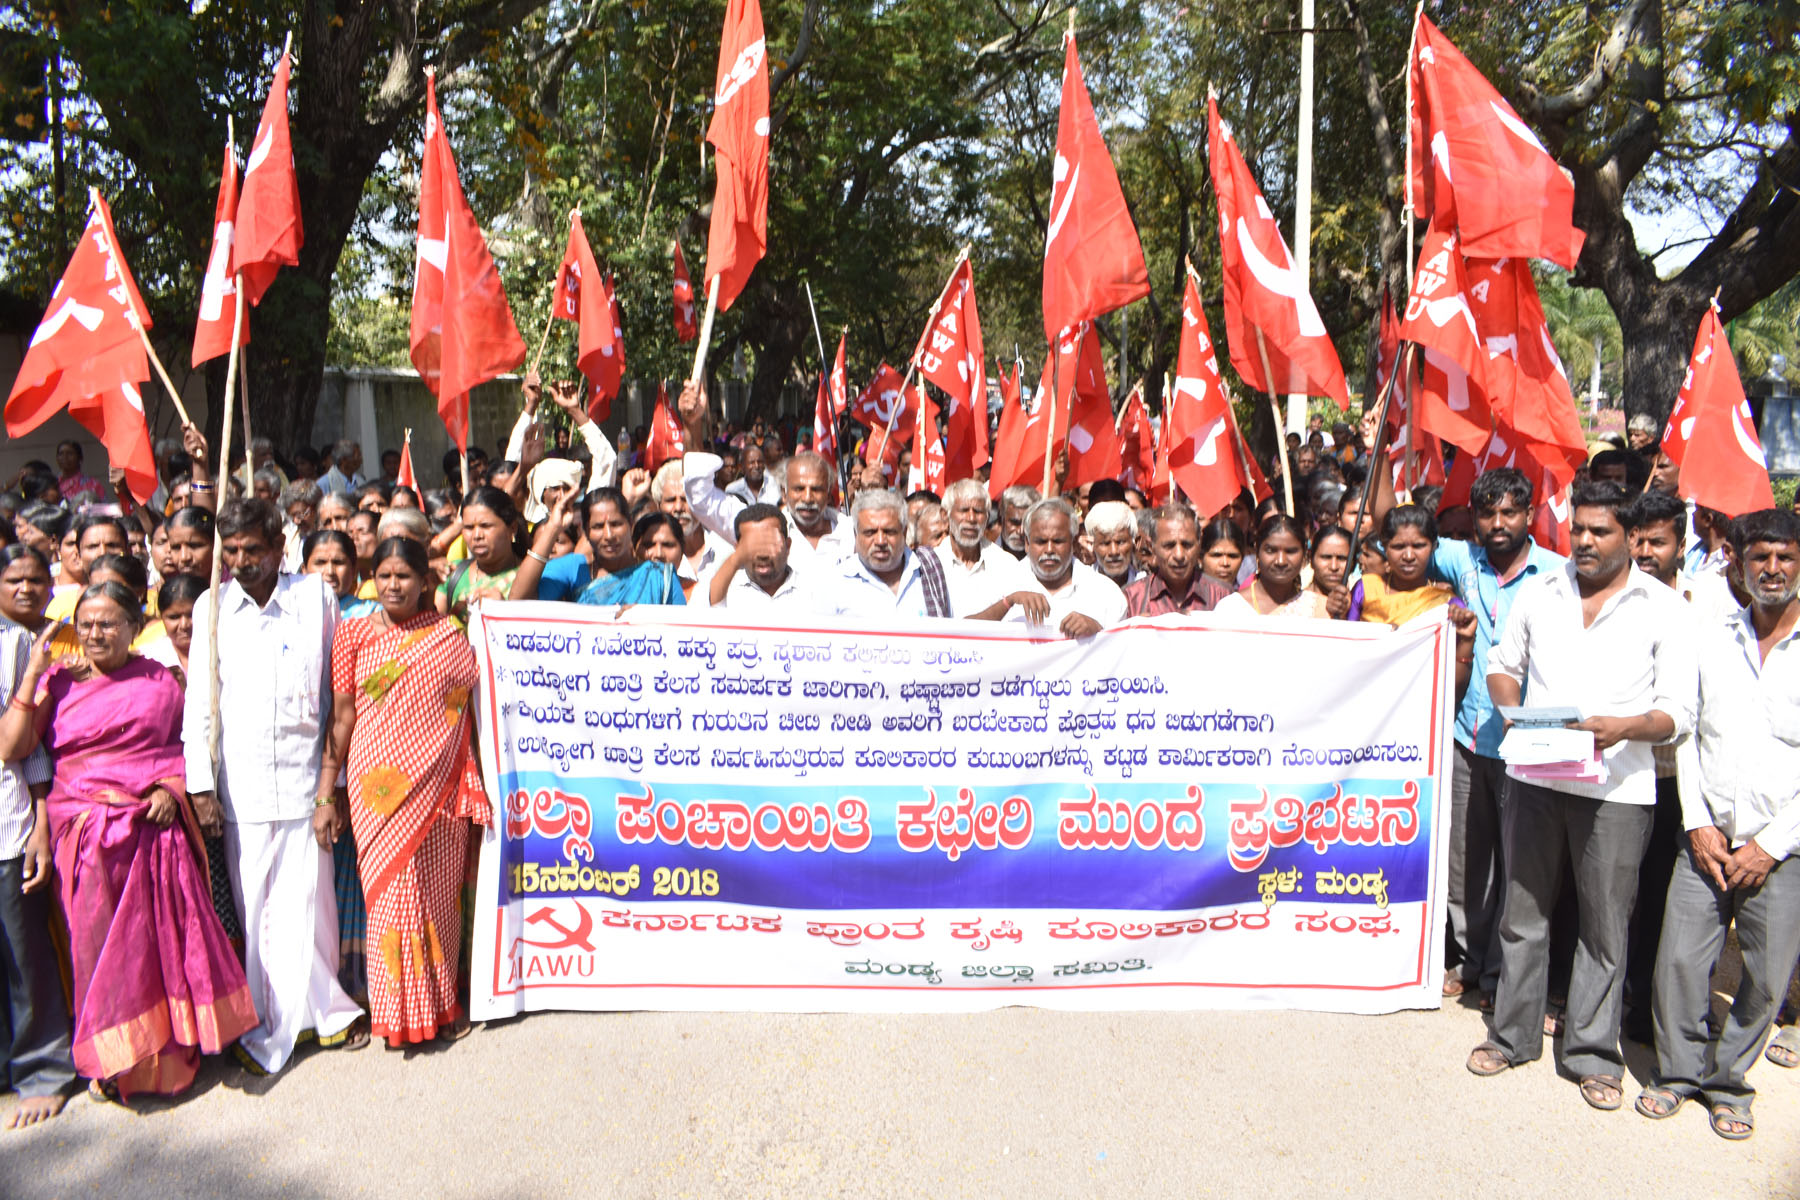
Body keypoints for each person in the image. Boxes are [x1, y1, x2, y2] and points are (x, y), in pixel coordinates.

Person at [1469, 481, 1698, 1113]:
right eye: (1579, 530)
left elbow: (1678, 712)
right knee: (1523, 915)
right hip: (1536, 778)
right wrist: (1511, 710)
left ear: (1631, 535)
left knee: (1604, 927)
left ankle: (1593, 1053)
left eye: (1601, 531)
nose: (1586, 542)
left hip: (1618, 789)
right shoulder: (1542, 591)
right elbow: (1502, 664)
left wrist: (1625, 728)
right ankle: (1511, 1036)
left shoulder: (1664, 608)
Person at [0, 582, 257, 1101]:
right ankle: (115, 1062)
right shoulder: (59, 681)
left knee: (158, 949)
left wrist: (169, 788)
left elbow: (181, 748)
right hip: (84, 841)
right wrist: (32, 674)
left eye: (108, 623)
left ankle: (167, 1056)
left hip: (151, 834)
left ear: (134, 627)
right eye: (86, 624)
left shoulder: (160, 681)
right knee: (98, 953)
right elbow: (16, 745)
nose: (95, 634)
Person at [1627, 508, 1800, 1140]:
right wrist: (1698, 824)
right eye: (1760, 557)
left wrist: (1770, 845)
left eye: (1785, 557)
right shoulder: (1712, 635)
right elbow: (1689, 735)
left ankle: (1729, 1084)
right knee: (1678, 961)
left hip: (1781, 849)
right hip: (1704, 837)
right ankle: (1677, 1074)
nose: (1772, 569)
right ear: (1740, 563)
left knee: (1765, 976)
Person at [183, 500, 367, 1074]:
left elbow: (337, 691)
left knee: (313, 907)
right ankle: (266, 1020)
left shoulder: (315, 598)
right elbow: (200, 702)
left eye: (253, 550)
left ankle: (323, 1014)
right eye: (232, 551)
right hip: (243, 787)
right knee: (259, 911)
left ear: (278, 548)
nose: (242, 562)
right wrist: (201, 786)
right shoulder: (213, 607)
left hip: (307, 780)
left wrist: (332, 787)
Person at [320, 537, 490, 1046]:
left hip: (439, 787)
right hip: (377, 791)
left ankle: (443, 1001)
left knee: (437, 897)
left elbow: (469, 709)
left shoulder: (450, 635)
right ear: (371, 579)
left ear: (424, 581)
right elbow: (343, 717)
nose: (393, 586)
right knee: (392, 898)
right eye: (384, 576)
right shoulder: (353, 634)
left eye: (404, 576)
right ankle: (396, 1010)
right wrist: (326, 792)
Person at [0, 551, 75, 1127]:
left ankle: (43, 1070)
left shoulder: (20, 645)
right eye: (14, 579)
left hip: (8, 821)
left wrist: (41, 823)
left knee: (24, 956)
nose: (25, 588)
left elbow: (24, 749)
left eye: (33, 579)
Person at [678, 381, 854, 566]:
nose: (807, 498)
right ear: (784, 493)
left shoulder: (852, 533)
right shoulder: (760, 528)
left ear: (829, 495)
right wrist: (692, 424)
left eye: (816, 489)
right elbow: (702, 497)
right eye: (799, 489)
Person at [988, 498, 1125, 637]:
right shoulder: (1001, 584)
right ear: (1027, 543)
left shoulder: (1106, 593)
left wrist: (1098, 633)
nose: (1049, 550)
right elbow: (973, 632)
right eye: (1041, 542)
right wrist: (1007, 602)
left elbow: (1121, 646)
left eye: (1058, 541)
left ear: (1073, 543)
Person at [824, 489, 953, 619]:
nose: (880, 541)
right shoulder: (835, 582)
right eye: (870, 532)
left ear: (904, 532)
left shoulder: (929, 568)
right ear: (856, 533)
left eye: (889, 531)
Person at [937, 479, 1029, 617]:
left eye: (978, 511)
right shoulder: (930, 565)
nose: (971, 518)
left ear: (987, 517)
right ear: (945, 515)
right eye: (964, 510)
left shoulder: (1007, 565)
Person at [1215, 516, 1335, 619]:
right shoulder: (1230, 608)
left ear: (1304, 554)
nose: (1280, 561)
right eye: (1271, 550)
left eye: (1290, 551)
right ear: (1257, 551)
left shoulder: (1319, 609)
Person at [708, 504, 820, 613]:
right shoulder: (727, 590)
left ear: (788, 546)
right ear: (738, 550)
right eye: (753, 545)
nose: (762, 555)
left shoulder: (814, 589)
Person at [1359, 506, 1459, 626]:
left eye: (1418, 546)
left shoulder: (1447, 603)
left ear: (1433, 547)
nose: (1408, 556)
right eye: (1398, 547)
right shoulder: (1366, 589)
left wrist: (1465, 635)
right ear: (1384, 547)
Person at [1124, 505, 1230, 616]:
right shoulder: (1131, 600)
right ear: (1151, 547)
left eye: (1187, 545)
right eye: (1169, 546)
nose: (1179, 555)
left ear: (1199, 543)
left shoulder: (1223, 596)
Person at [651, 461, 730, 603]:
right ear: (658, 506)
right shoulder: (655, 558)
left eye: (685, 499)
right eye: (670, 500)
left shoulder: (726, 547)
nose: (678, 507)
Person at [577, 511, 689, 607]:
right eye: (648, 545)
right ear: (634, 549)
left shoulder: (697, 594)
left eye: (668, 545)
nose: (658, 554)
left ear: (683, 549)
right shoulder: (607, 589)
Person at [143, 573, 204, 677]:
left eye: (191, 615)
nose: (184, 625)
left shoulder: (225, 653)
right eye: (174, 617)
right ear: (162, 617)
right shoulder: (149, 658)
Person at [1086, 501, 1140, 588]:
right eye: (1105, 543)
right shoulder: (1080, 586)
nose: (1114, 552)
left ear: (1135, 543)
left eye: (1120, 542)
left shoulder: (1148, 587)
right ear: (1091, 545)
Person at [1198, 518, 1248, 591]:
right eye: (1217, 555)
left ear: (1242, 558)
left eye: (1232, 556)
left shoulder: (1249, 596)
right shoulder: (1186, 595)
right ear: (1200, 558)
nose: (1225, 563)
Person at [725, 442, 781, 506]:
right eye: (752, 462)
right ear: (742, 467)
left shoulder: (775, 484)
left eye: (759, 462)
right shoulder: (732, 490)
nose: (756, 466)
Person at [53, 441, 105, 509]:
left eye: (70, 453)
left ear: (80, 458)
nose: (65, 457)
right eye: (61, 454)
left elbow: (103, 509)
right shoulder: (52, 485)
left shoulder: (93, 484)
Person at [998, 485, 1040, 559]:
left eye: (1027, 524)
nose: (1021, 531)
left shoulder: (1042, 560)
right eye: (1015, 523)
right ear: (1001, 518)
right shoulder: (984, 553)